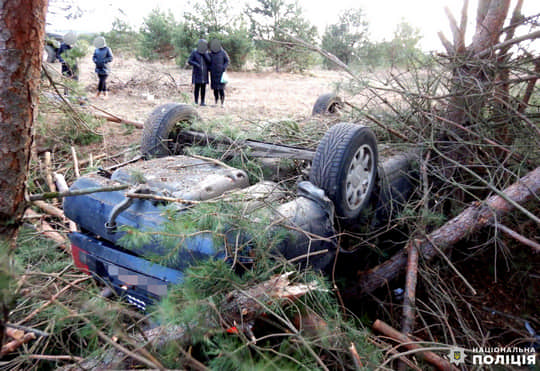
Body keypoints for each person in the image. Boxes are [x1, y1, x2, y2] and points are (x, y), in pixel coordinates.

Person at [187, 39, 210, 106]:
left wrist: (205, 54)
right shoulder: (194, 52)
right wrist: (196, 64)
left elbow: (209, 61)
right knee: (197, 88)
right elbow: (189, 61)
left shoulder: (206, 52)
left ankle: (202, 102)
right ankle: (196, 102)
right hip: (197, 72)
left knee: (203, 88)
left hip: (204, 73)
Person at [208, 39, 230, 106]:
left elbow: (227, 61)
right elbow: (208, 62)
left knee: (221, 89)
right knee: (215, 89)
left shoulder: (223, 52)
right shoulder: (211, 53)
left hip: (221, 74)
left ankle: (222, 103)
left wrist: (224, 67)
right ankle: (216, 102)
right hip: (213, 74)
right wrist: (210, 68)